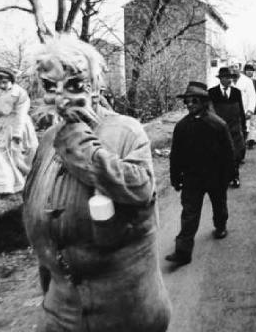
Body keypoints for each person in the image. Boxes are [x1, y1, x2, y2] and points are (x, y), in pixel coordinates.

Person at [23, 37, 171, 332]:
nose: (61, 97)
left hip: (125, 315)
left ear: (97, 84)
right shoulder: (48, 141)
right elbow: (38, 225)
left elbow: (140, 190)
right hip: (60, 313)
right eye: (50, 87)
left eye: (75, 84)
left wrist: (80, 144)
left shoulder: (126, 131)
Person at [165, 82, 235, 266]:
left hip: (215, 176)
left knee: (219, 203)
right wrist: (175, 177)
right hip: (192, 178)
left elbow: (229, 152)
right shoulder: (181, 127)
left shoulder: (218, 124)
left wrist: (230, 174)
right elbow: (176, 155)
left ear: (204, 102)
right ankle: (183, 252)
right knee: (189, 213)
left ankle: (220, 226)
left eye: (194, 100)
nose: (189, 104)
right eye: (187, 101)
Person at [0, 67, 38, 196]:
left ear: (11, 80)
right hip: (2, 126)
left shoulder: (20, 93)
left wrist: (17, 133)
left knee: (20, 154)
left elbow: (21, 113)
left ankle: (24, 180)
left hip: (19, 124)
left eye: (5, 82)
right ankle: (4, 185)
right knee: (0, 154)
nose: (2, 85)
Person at [209, 67, 246, 188]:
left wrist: (244, 128)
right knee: (221, 153)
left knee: (235, 153)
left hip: (234, 128)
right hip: (219, 129)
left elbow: (241, 111)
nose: (229, 80)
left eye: (230, 77)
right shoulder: (212, 93)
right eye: (226, 78)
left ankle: (235, 177)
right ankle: (223, 177)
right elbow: (209, 113)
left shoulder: (236, 92)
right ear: (221, 79)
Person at [230, 63, 256, 153]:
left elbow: (252, 96)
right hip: (231, 113)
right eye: (231, 67)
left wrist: (250, 110)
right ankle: (236, 154)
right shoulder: (227, 81)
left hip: (244, 112)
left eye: (235, 67)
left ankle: (240, 154)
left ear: (240, 68)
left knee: (243, 133)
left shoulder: (247, 81)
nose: (233, 69)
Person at [244, 63, 256, 149]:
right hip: (244, 105)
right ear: (245, 71)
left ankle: (251, 140)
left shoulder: (255, 82)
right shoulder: (241, 81)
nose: (250, 72)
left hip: (254, 105)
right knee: (245, 124)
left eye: (251, 70)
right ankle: (245, 140)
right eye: (248, 70)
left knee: (252, 123)